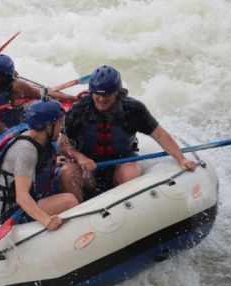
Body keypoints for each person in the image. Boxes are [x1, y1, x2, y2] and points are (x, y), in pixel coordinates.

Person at [58, 65, 197, 203]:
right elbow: (64, 144)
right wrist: (80, 158)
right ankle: (77, 215)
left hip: (122, 162)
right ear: (91, 92)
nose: (101, 99)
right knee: (67, 172)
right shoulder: (79, 109)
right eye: (97, 94)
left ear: (117, 92)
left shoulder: (133, 109)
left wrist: (182, 160)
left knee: (130, 174)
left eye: (107, 94)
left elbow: (160, 135)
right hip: (88, 168)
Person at [0, 53, 78, 150]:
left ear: (4, 77)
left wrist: (76, 99)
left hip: (10, 130)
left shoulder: (16, 87)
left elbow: (46, 95)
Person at [0, 99, 78, 230]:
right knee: (70, 201)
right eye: (60, 121)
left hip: (16, 207)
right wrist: (47, 221)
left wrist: (51, 163)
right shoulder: (26, 150)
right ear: (49, 125)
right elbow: (22, 197)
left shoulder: (35, 137)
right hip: (10, 215)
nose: (63, 126)